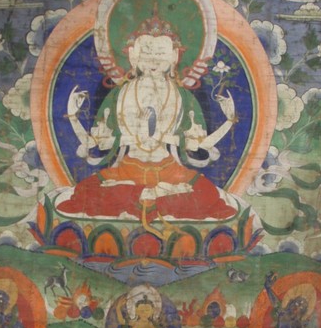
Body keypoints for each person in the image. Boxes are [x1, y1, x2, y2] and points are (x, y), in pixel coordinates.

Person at [56, 11, 238, 226]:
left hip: (170, 171)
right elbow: (92, 143)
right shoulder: (119, 95)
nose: (153, 60)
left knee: (208, 195)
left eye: (160, 53)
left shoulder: (183, 98)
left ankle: (146, 200)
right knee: (84, 192)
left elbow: (200, 144)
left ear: (174, 56)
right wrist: (73, 116)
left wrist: (229, 121)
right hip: (126, 170)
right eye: (146, 53)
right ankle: (153, 200)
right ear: (132, 56)